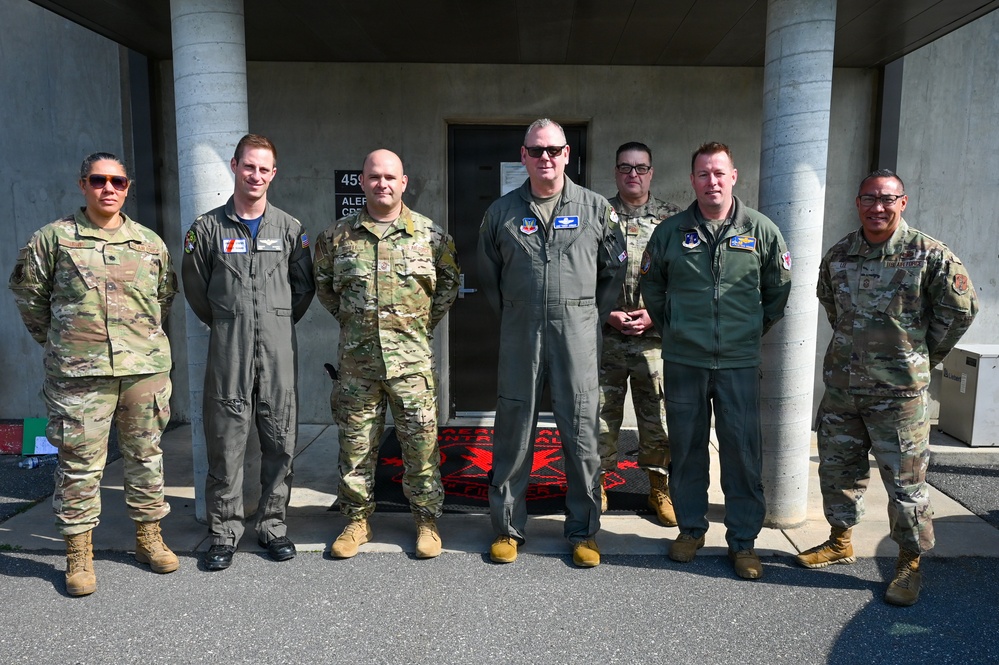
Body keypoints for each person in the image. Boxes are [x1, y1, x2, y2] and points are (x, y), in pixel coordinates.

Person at [796, 169, 978, 606]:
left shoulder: (929, 255)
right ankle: (840, 540)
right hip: (843, 388)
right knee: (838, 471)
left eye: (887, 199)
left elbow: (961, 311)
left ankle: (908, 563)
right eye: (869, 199)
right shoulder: (840, 253)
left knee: (906, 485)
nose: (878, 207)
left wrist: (919, 355)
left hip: (899, 396)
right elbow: (830, 303)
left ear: (903, 202)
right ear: (858, 203)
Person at [9, 152, 179, 596]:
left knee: (147, 458)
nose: (109, 188)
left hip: (144, 371)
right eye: (99, 180)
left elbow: (164, 298)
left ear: (128, 187)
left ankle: (149, 538)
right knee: (79, 465)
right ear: (83, 184)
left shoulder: (149, 242)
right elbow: (30, 298)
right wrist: (64, 344)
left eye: (118, 182)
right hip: (80, 375)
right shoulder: (54, 239)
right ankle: (78, 553)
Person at [478, 118, 627, 568]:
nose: (546, 158)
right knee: (513, 430)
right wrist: (515, 316)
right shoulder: (501, 212)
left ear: (567, 155)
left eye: (554, 150)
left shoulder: (597, 208)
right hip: (520, 333)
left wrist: (589, 316)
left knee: (582, 433)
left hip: (577, 333)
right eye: (537, 150)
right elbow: (488, 277)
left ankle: (583, 531)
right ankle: (507, 528)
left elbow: (613, 269)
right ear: (523, 156)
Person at [640, 141, 791, 580]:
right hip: (684, 360)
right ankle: (690, 530)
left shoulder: (761, 230)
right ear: (693, 180)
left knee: (742, 452)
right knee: (686, 450)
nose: (712, 181)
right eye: (703, 174)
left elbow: (777, 291)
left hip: (739, 363)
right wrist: (677, 329)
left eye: (719, 173)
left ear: (734, 176)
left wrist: (746, 332)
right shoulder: (670, 232)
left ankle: (743, 542)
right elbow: (653, 287)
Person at [313, 149, 460, 559]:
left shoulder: (431, 236)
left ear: (404, 182)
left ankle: (426, 521)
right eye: (374, 176)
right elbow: (325, 288)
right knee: (356, 447)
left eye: (390, 177)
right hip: (357, 367)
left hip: (411, 365)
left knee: (421, 448)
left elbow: (446, 289)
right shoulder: (335, 238)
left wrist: (414, 327)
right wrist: (355, 323)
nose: (382, 183)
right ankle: (356, 521)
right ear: (362, 181)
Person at [182, 134, 315, 571]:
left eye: (264, 169)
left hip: (277, 354)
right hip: (229, 354)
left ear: (273, 174)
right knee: (226, 443)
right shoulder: (206, 229)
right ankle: (223, 532)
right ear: (235, 166)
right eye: (248, 166)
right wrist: (230, 320)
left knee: (280, 441)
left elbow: (303, 288)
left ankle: (273, 526)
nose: (256, 175)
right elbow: (196, 289)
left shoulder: (291, 229)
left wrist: (273, 322)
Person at [599, 142, 681, 524]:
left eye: (641, 168)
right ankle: (595, 485)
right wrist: (607, 314)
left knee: (658, 418)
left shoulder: (673, 220)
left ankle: (658, 490)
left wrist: (653, 314)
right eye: (626, 167)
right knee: (599, 415)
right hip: (606, 336)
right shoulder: (598, 215)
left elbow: (684, 281)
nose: (634, 174)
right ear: (616, 172)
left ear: (651, 172)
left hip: (654, 338)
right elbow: (582, 274)